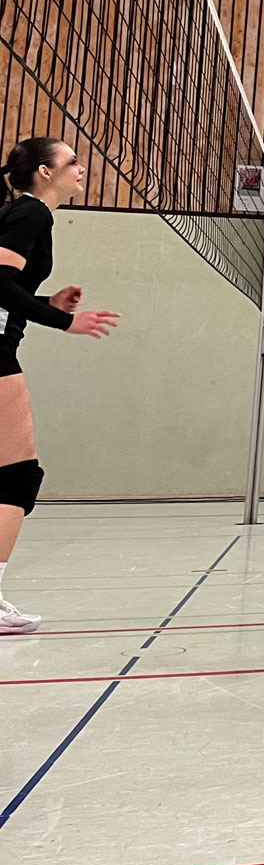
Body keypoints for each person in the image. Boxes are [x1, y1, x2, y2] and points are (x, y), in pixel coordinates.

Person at [0, 138, 119, 635]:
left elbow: (9, 286)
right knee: (17, 474)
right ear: (45, 172)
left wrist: (48, 300)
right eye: (72, 161)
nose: (81, 168)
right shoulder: (30, 214)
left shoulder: (24, 215)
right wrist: (63, 321)